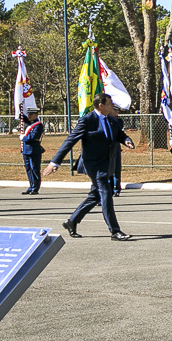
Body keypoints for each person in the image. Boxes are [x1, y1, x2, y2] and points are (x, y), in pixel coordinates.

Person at [46, 93, 136, 239]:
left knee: (95, 195)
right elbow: (69, 141)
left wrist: (126, 140)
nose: (112, 106)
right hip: (93, 164)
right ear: (101, 105)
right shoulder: (87, 121)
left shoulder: (112, 120)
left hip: (107, 163)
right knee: (106, 193)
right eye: (109, 103)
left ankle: (72, 221)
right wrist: (54, 162)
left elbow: (120, 134)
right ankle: (115, 231)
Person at [18, 108, 45, 193]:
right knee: (28, 169)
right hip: (26, 150)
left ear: (36, 115)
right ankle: (31, 186)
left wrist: (24, 138)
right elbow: (25, 119)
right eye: (28, 114)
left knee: (34, 169)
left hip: (34, 150)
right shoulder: (30, 124)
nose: (29, 116)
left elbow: (33, 137)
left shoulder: (38, 125)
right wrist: (20, 112)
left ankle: (35, 187)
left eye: (31, 114)